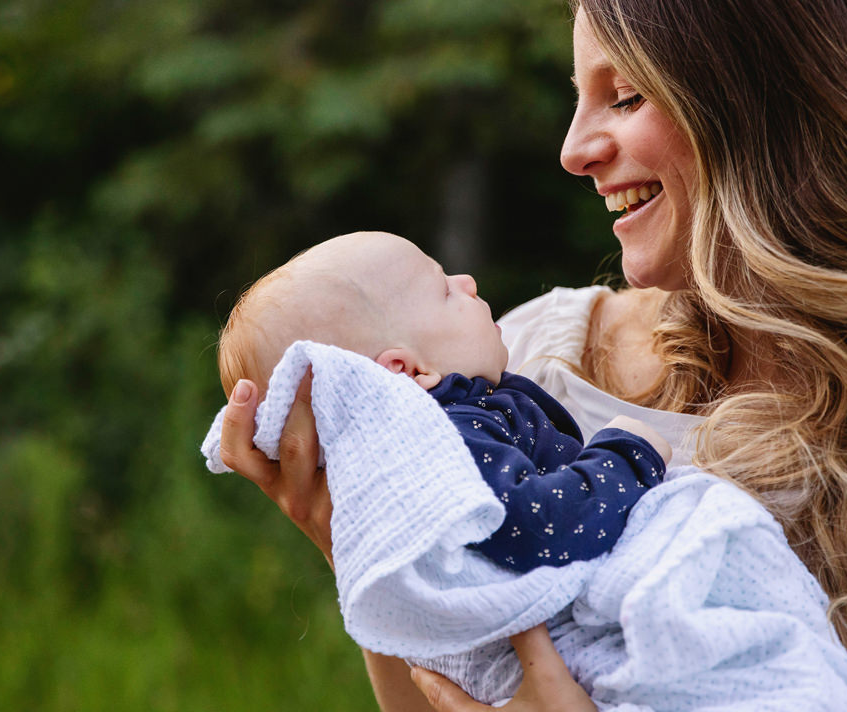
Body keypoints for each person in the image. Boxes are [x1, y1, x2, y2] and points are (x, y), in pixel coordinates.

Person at [217, 0, 847, 710]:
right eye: (579, 99)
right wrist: (355, 538)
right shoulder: (526, 359)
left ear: (784, 107)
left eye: (627, 96)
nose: (573, 149)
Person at [213, 230, 671, 573]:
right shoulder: (453, 438)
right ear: (406, 371)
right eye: (444, 290)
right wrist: (626, 455)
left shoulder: (471, 410)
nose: (467, 282)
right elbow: (538, 526)